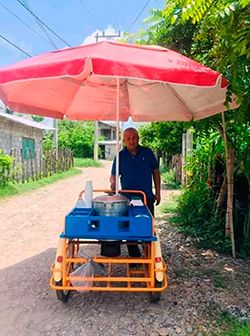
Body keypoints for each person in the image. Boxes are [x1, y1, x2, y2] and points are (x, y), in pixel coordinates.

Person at [110, 127, 161, 257]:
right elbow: (113, 176)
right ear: (124, 141)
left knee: (148, 227)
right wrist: (113, 184)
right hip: (127, 199)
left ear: (138, 139)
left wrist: (158, 192)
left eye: (134, 138)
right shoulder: (120, 156)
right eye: (128, 139)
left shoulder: (147, 152)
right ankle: (134, 258)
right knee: (129, 228)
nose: (131, 141)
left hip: (146, 197)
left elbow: (155, 172)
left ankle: (149, 256)